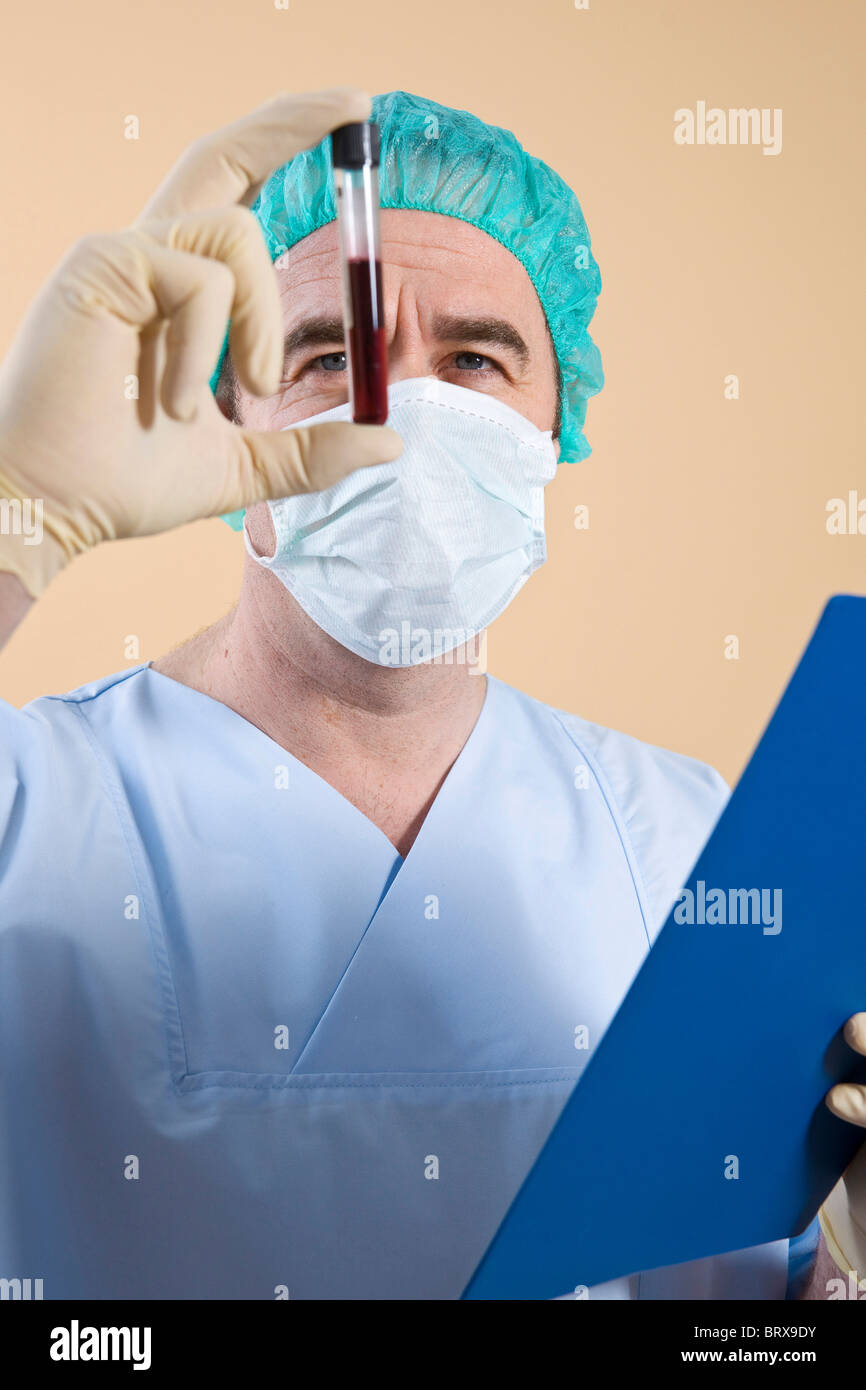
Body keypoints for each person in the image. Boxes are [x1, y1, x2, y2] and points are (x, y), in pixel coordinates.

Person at [0, 87, 863, 1301]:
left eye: (472, 360)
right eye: (327, 356)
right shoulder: (32, 808)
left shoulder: (694, 845)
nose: (402, 416)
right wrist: (19, 512)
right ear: (219, 412)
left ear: (556, 428)